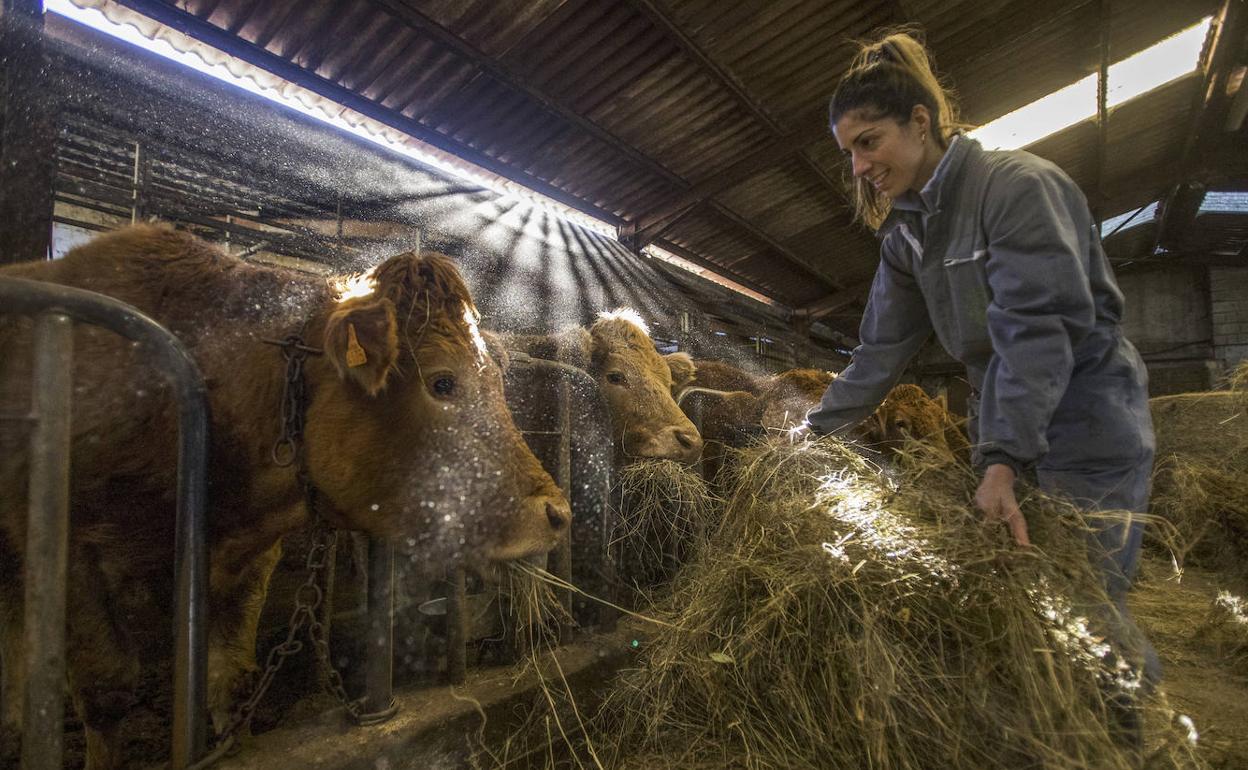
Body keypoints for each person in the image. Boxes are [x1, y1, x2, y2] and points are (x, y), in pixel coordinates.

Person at [803, 29, 1160, 726]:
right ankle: (1054, 724)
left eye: (869, 142)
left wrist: (1001, 459)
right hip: (1008, 424)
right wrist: (812, 430)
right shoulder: (907, 234)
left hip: (1087, 423)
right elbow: (880, 350)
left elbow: (1038, 333)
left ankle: (1127, 734)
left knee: (1085, 594)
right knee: (1025, 590)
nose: (859, 166)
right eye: (849, 152)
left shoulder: (1016, 188)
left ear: (920, 122)